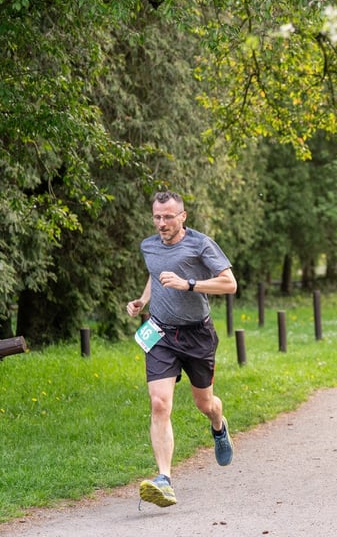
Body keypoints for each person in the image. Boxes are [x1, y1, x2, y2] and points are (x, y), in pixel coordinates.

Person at [126, 191, 238, 508]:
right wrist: (143, 300)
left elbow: (229, 284)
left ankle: (219, 425)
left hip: (197, 334)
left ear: (182, 216)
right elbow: (155, 274)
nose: (162, 223)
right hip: (160, 333)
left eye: (168, 217)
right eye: (157, 217)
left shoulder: (200, 244)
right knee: (159, 403)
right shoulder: (148, 246)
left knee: (206, 404)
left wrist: (188, 283)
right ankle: (165, 479)